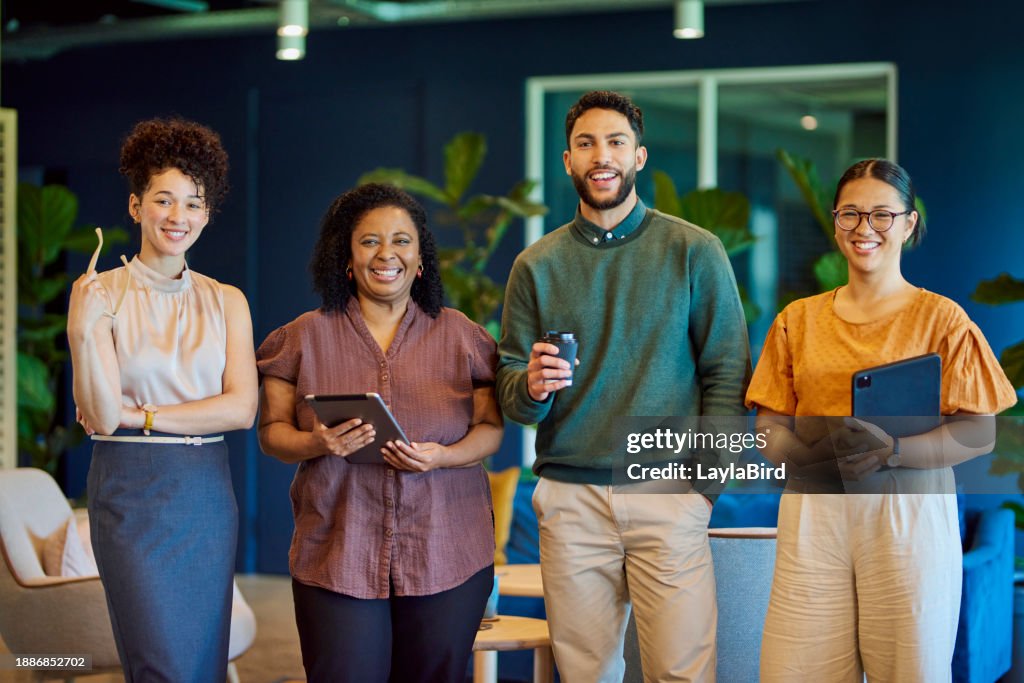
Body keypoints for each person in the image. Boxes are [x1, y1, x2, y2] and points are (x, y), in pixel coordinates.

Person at [496, 90, 751, 682]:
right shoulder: (535, 265)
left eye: (615, 142)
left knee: (681, 672)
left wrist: (704, 488)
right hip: (570, 500)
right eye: (586, 144)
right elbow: (513, 393)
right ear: (568, 161)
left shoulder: (694, 251)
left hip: (668, 492)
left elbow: (728, 372)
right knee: (585, 673)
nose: (600, 155)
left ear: (638, 156)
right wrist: (531, 385)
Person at [746, 158, 1017, 682]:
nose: (863, 229)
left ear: (909, 223)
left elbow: (980, 431)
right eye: (850, 214)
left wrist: (892, 451)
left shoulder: (943, 319)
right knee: (793, 670)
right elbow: (767, 424)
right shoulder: (796, 320)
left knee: (909, 671)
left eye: (881, 215)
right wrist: (801, 454)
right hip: (813, 515)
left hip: (909, 517)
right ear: (835, 221)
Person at [256, 183, 503, 683]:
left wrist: (444, 456)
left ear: (420, 259)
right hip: (338, 551)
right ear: (346, 255)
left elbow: (490, 430)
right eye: (369, 241)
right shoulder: (302, 337)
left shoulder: (462, 336)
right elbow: (272, 433)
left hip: (445, 550)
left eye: (401, 241)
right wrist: (317, 443)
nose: (385, 253)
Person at [67, 117, 257, 681]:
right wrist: (82, 330)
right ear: (135, 206)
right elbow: (100, 416)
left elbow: (241, 409)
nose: (178, 217)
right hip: (129, 490)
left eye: (193, 204)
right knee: (159, 664)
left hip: (205, 493)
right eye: (164, 200)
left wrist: (140, 414)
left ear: (206, 214)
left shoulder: (227, 301)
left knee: (202, 663)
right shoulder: (100, 294)